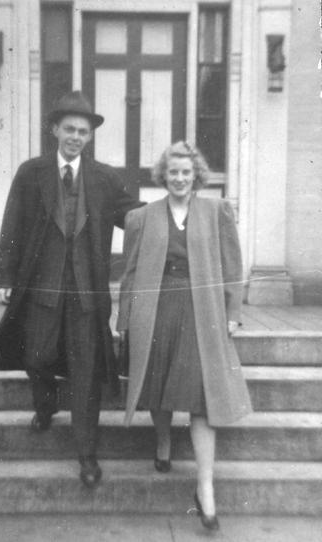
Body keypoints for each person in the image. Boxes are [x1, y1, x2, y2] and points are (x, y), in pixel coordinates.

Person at [0, 91, 141, 488]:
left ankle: (87, 455)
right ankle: (45, 403)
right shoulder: (32, 173)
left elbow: (133, 217)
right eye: (69, 129)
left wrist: (174, 211)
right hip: (41, 289)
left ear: (90, 136)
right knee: (39, 355)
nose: (75, 137)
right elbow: (11, 227)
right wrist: (4, 278)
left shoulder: (103, 178)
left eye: (83, 131)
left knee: (86, 371)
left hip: (86, 295)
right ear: (54, 130)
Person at [116, 141, 252, 530]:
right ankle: (162, 443)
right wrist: (124, 318)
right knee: (157, 385)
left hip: (201, 313)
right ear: (164, 175)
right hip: (156, 311)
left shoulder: (216, 212)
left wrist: (233, 312)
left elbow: (232, 265)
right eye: (173, 172)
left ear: (196, 176)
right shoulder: (142, 217)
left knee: (201, 398)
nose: (179, 178)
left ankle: (205, 487)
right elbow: (130, 272)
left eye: (186, 173)